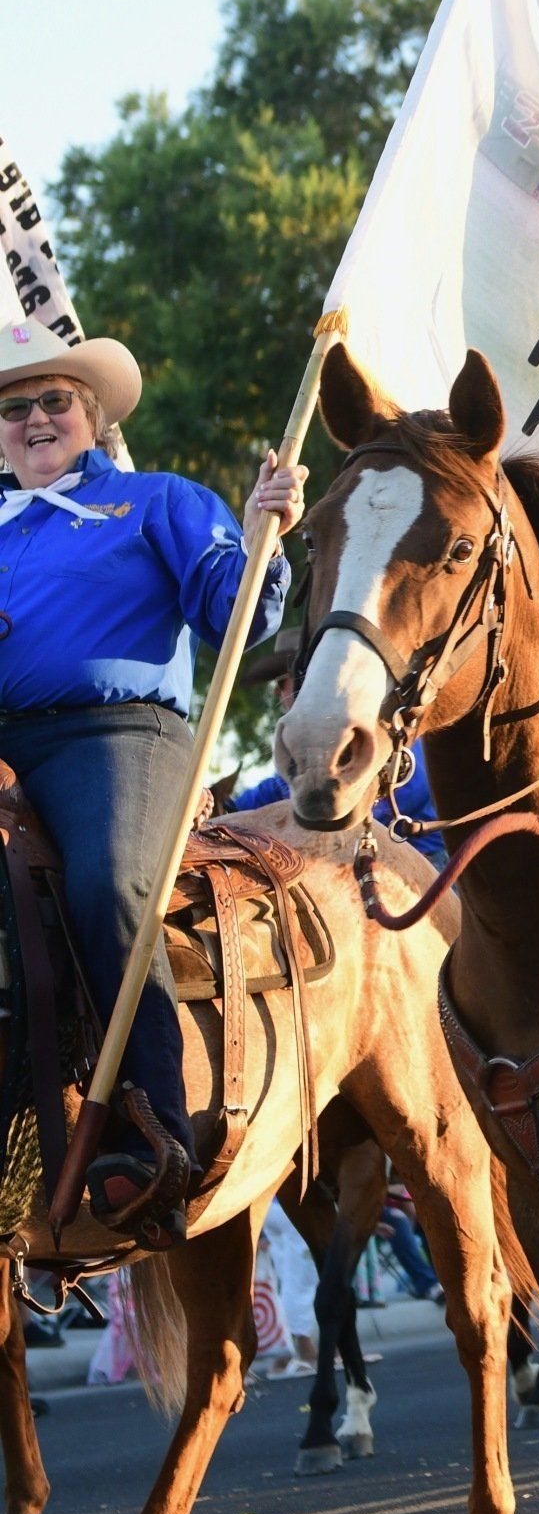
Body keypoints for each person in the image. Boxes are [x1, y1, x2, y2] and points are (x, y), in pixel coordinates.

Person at [0, 316, 305, 1239]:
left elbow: (235, 616)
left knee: (107, 883)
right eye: (14, 408)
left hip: (117, 735)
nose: (35, 419)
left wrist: (261, 540)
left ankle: (151, 1129)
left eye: (55, 400)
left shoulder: (158, 501)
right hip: (4, 745)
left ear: (94, 418)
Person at [229, 633, 448, 866]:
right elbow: (269, 793)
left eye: (283, 682)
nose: (279, 692)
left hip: (420, 861)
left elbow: (410, 792)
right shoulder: (306, 756)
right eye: (278, 685)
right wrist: (218, 807)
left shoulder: (386, 729)